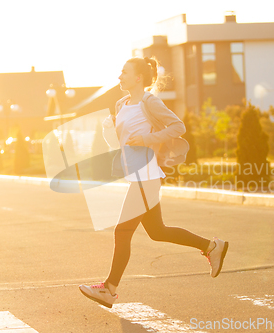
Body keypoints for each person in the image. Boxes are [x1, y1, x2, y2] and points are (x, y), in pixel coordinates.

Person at [79, 56, 228, 308]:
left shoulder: (149, 101)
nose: (119, 77)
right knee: (157, 232)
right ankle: (212, 246)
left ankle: (109, 289)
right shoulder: (121, 103)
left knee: (122, 232)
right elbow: (119, 145)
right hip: (136, 176)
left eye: (124, 72)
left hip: (146, 176)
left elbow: (177, 127)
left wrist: (149, 138)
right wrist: (108, 130)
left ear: (138, 77)